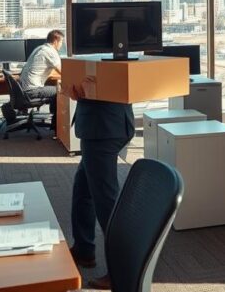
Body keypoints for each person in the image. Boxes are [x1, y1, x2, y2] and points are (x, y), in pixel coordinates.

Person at [65, 72, 135, 290]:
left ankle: (122, 272)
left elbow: (113, 85)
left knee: (106, 202)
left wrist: (88, 92)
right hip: (102, 125)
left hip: (102, 128)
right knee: (83, 191)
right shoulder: (98, 59)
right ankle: (84, 249)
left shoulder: (109, 57)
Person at [19, 29, 63, 129]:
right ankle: (57, 126)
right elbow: (63, 72)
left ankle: (55, 123)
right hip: (32, 90)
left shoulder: (39, 48)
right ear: (56, 41)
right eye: (61, 42)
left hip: (23, 89)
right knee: (60, 90)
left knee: (53, 88)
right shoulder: (51, 52)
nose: (61, 45)